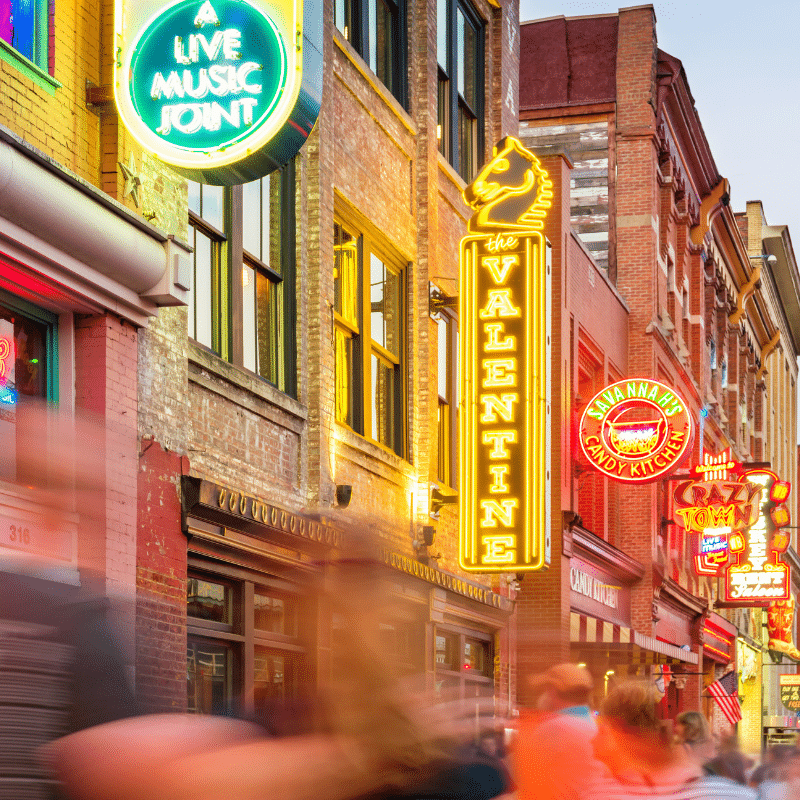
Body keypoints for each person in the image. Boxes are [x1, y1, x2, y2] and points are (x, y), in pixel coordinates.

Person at [45, 531, 511, 800]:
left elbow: (95, 763)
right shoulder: (263, 724)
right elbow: (97, 764)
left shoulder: (454, 769)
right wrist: (368, 756)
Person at [586, 680, 757, 799]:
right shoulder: (729, 793)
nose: (592, 741)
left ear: (621, 732)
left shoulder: (603, 794)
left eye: (602, 730)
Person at [514, 663, 602, 800]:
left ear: (552, 690)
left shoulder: (553, 728)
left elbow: (523, 777)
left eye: (545, 689)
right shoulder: (598, 725)